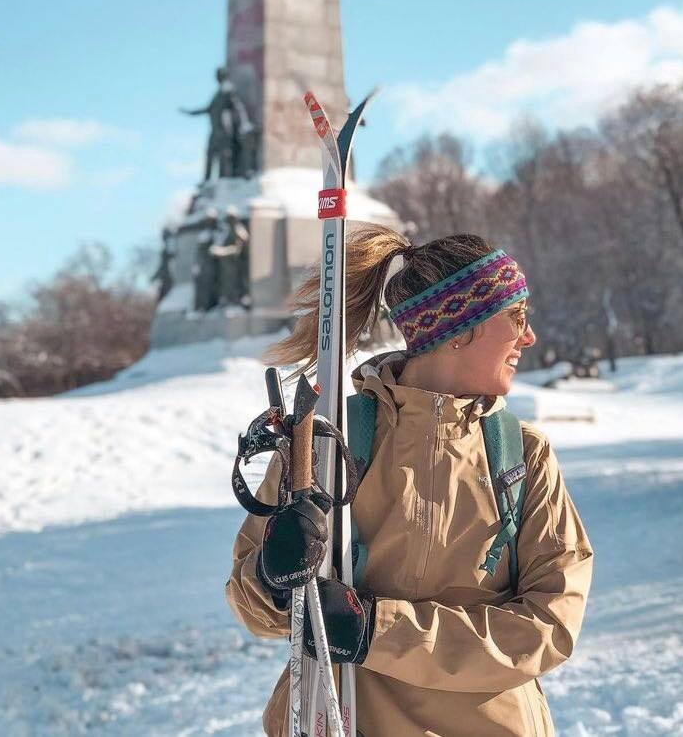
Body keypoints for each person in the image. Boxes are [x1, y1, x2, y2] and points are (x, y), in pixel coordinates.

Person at [226, 225, 594, 737]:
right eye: (516, 316)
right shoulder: (328, 442)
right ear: (460, 328)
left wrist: (374, 630)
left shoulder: (522, 456)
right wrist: (274, 577)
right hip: (343, 718)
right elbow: (256, 607)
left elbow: (549, 626)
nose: (528, 337)